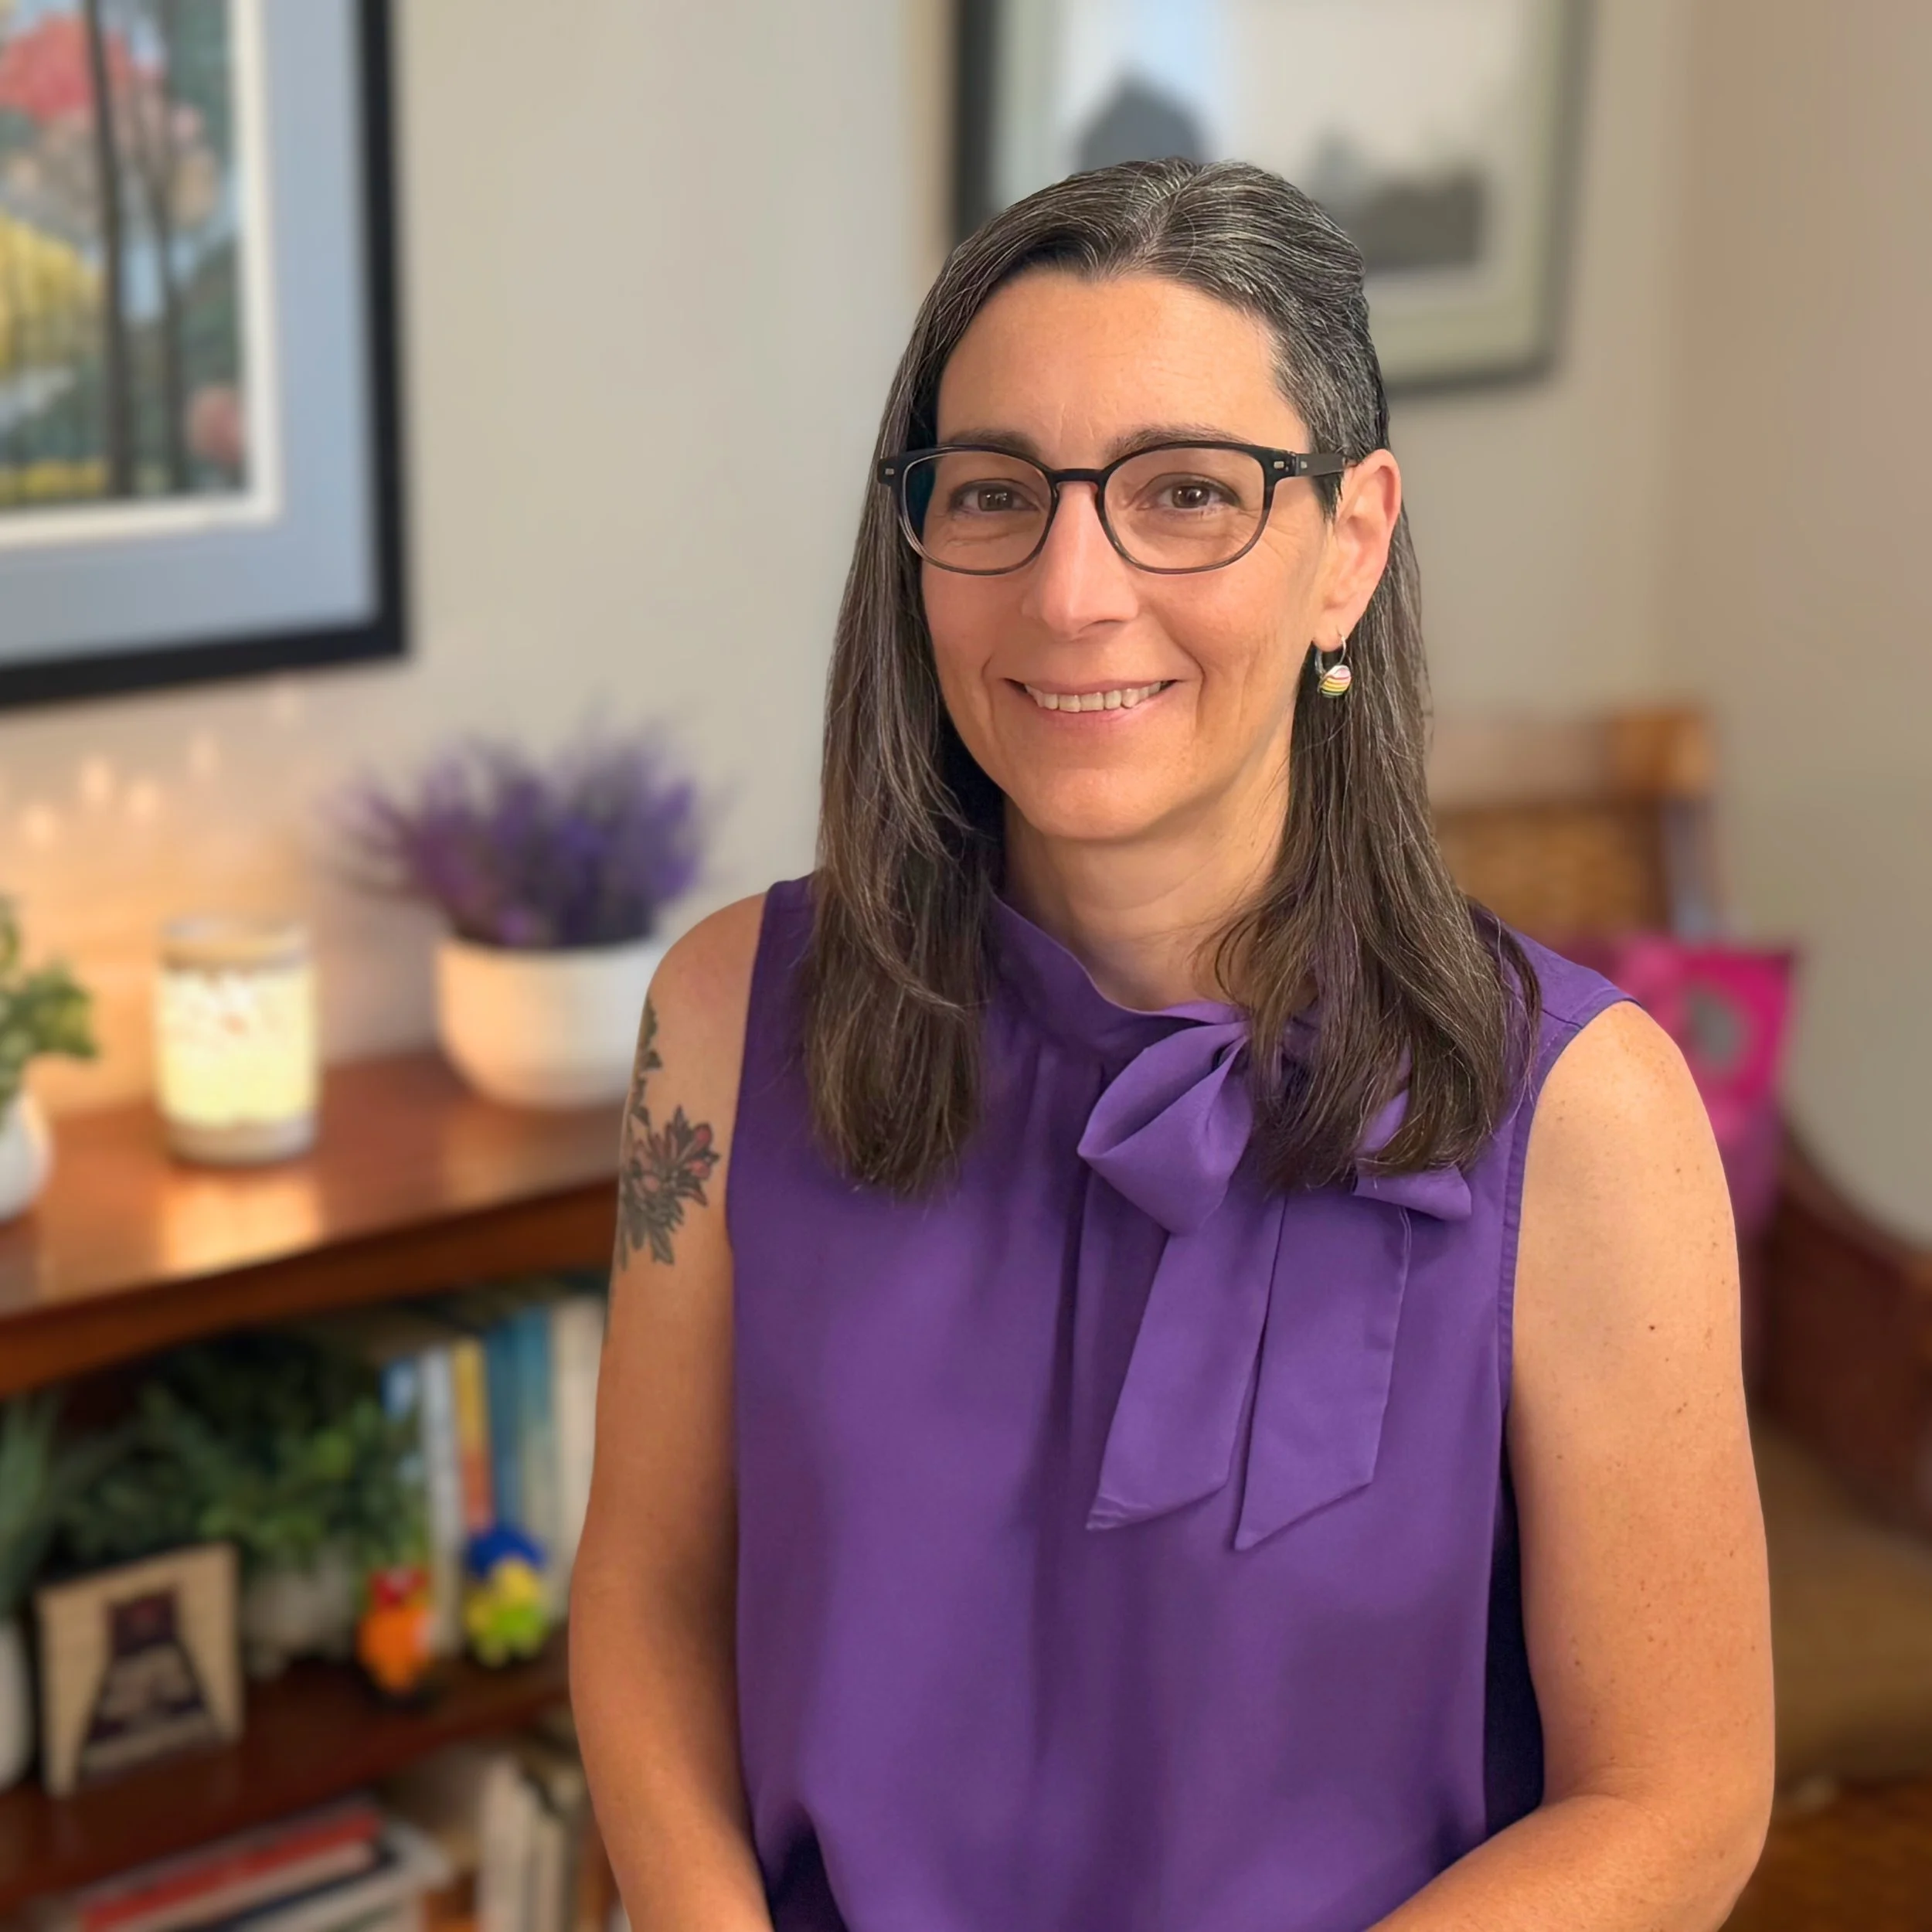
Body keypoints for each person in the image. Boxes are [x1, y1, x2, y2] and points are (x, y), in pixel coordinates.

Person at [570, 159, 1774, 1932]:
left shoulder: (1581, 1114)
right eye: (993, 492)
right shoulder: (724, 1013)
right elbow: (652, 1588)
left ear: (1345, 545)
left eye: (1185, 493)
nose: (1068, 589)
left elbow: (1674, 1800)